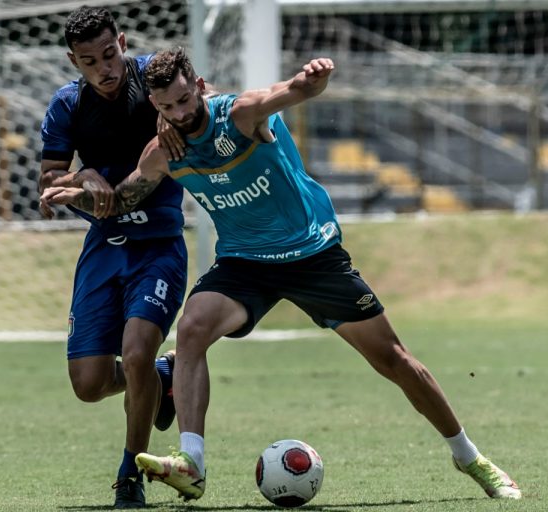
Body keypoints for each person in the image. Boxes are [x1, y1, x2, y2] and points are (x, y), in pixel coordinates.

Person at [42, 48, 522, 501]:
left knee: (393, 360)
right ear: (155, 105)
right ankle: (192, 462)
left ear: (200, 87)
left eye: (186, 99)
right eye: (168, 105)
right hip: (244, 265)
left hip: (311, 255)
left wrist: (314, 79)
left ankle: (470, 457)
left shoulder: (242, 114)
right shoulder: (162, 151)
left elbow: (291, 91)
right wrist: (78, 194)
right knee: (191, 330)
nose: (181, 112)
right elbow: (125, 197)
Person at [38, 7, 189, 509]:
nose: (104, 68)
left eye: (109, 54)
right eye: (89, 62)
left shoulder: (155, 83)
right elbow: (47, 184)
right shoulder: (66, 106)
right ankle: (163, 379)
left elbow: (199, 108)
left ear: (122, 41)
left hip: (158, 248)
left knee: (139, 350)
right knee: (89, 384)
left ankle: (131, 475)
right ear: (73, 61)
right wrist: (82, 178)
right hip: (103, 248)